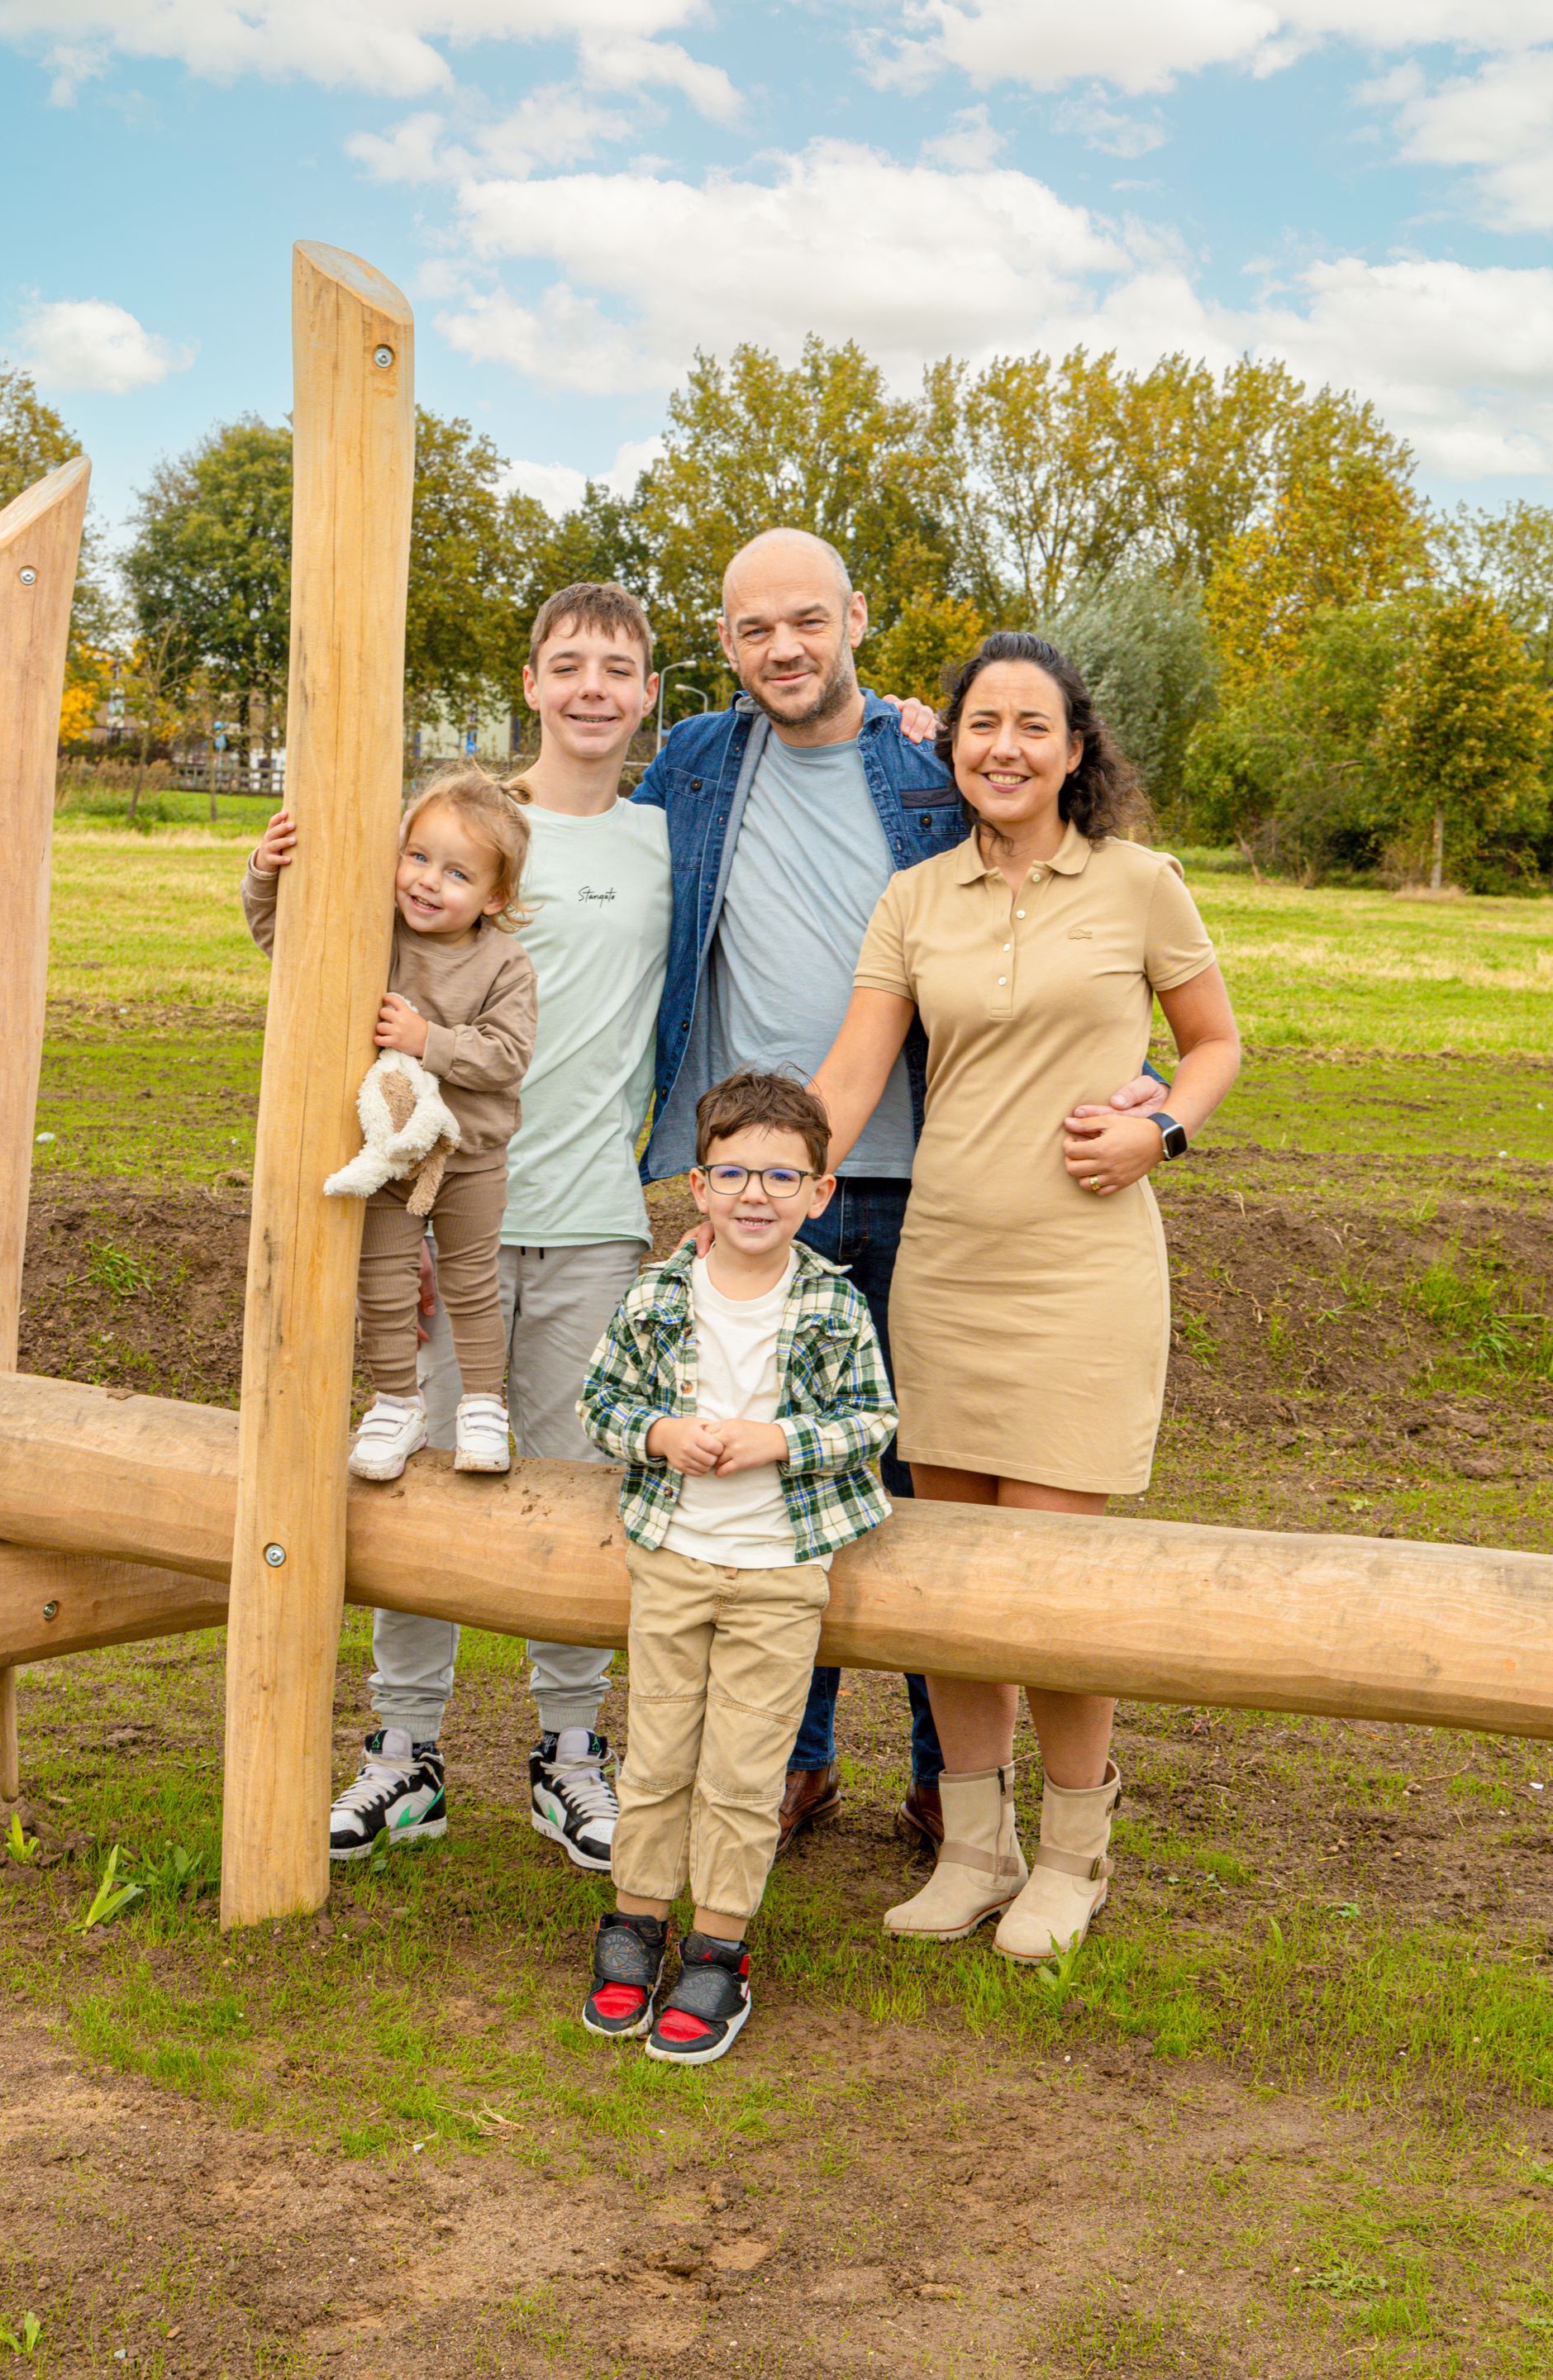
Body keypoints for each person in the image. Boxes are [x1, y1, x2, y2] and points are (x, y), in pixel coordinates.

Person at [632, 530, 1165, 1854]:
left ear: (857, 618)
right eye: (755, 630)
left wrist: (1147, 1097)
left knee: (945, 1502)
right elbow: (557, 849)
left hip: (945, 1189)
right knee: (771, 1468)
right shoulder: (695, 762)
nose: (784, 650)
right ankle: (797, 1762)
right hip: (781, 1190)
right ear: (727, 644)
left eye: (808, 621)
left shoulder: (930, 765)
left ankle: (953, 1792)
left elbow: (1057, 932)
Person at [810, 631, 1241, 1960]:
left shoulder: (1138, 883)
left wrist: (1159, 1130)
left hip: (1082, 1277)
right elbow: (848, 1076)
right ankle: (975, 1844)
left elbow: (1215, 1043)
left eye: (1032, 727)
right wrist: (761, 1185)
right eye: (980, 723)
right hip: (944, 1274)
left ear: (1073, 748)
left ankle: (1073, 1853)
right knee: (953, 1590)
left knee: (1052, 1594)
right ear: (950, 741)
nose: (1004, 746)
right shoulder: (914, 898)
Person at [326, 583, 674, 1868]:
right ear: (531, 680)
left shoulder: (663, 838)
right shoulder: (454, 832)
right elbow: (321, 949)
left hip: (590, 1214)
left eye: (619, 668)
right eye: (568, 662)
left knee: (573, 1483)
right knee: (413, 1468)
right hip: (432, 1204)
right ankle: (402, 1749)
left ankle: (569, 1753)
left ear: (648, 696)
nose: (592, 686)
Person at [575, 1072, 897, 2063]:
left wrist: (779, 1442)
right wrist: (665, 1431)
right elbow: (601, 1403)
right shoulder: (657, 1297)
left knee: (745, 1769)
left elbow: (872, 1421)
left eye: (780, 1176)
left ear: (821, 1191)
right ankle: (634, 1923)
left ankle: (720, 1947)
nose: (755, 1194)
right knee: (659, 1753)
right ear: (698, 1185)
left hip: (779, 1570)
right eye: (733, 1173)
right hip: (673, 1557)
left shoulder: (833, 1310)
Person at [242, 769, 536, 1492]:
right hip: (387, 1151)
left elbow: (507, 1057)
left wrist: (425, 1038)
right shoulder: (373, 928)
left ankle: (481, 1405)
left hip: (470, 1155)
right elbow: (284, 942)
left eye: (458, 873)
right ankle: (396, 1403)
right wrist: (265, 873)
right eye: (418, 857)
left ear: (495, 898)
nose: (428, 882)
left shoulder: (505, 963)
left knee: (471, 1281)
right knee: (382, 1280)